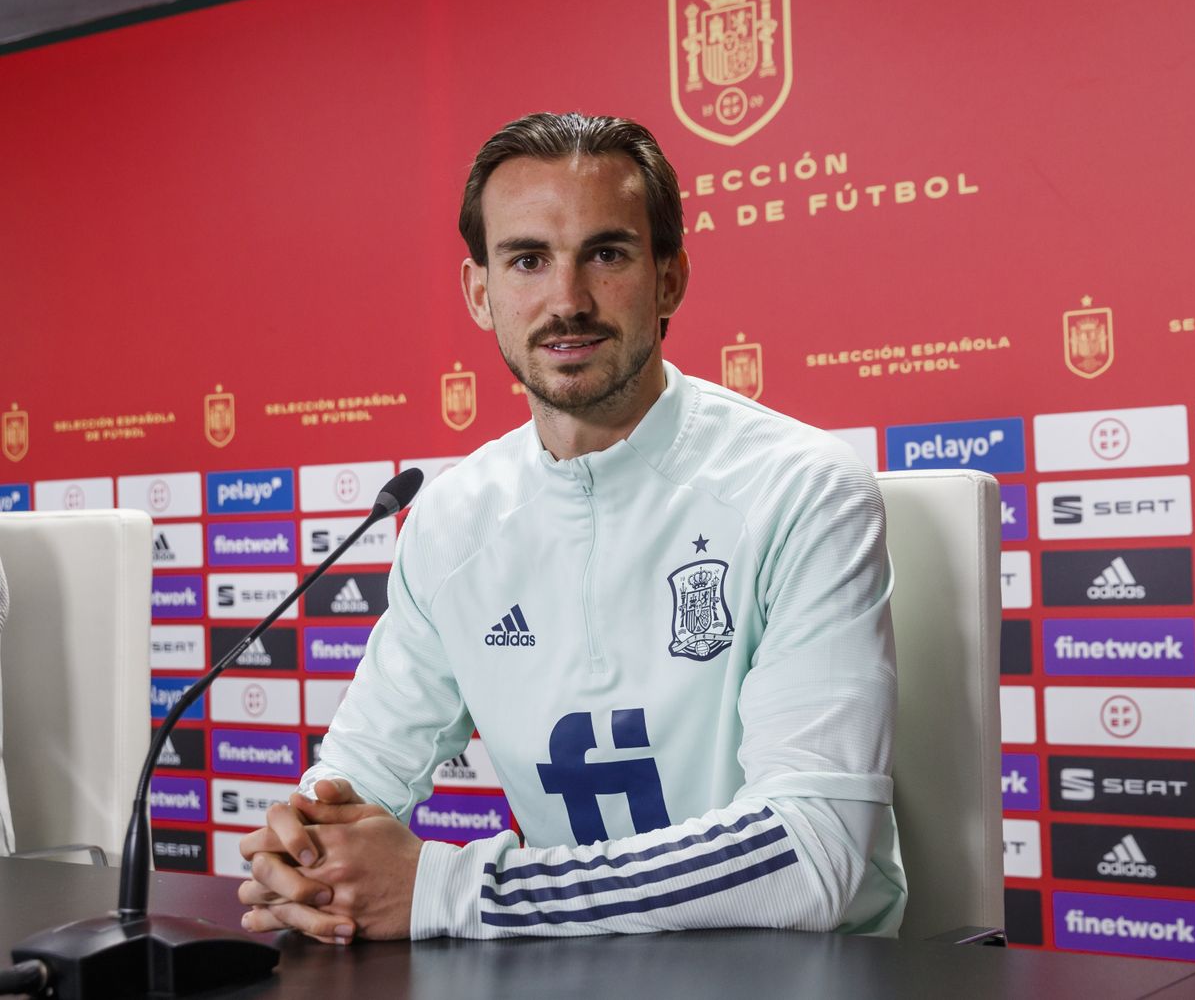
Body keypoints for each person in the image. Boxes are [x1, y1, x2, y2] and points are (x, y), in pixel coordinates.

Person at [236, 113, 904, 942]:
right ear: (481, 293)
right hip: (557, 967)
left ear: (669, 279)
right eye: (527, 260)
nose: (568, 301)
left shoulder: (804, 489)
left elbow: (811, 856)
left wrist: (458, 891)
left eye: (608, 254)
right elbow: (357, 779)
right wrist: (310, 855)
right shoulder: (451, 518)